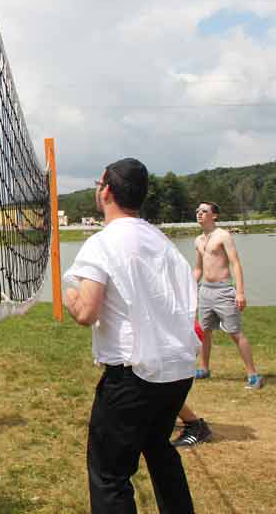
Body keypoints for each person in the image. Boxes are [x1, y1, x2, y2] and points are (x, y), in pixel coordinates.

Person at [63, 158, 198, 514]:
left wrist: (69, 293)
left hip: (134, 376)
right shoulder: (163, 242)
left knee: (109, 475)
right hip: (177, 371)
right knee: (159, 450)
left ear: (105, 190)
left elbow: (85, 313)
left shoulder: (102, 243)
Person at [193, 201, 264, 389]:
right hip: (205, 291)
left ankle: (253, 375)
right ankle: (204, 368)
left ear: (214, 216)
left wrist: (240, 292)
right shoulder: (198, 240)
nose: (199, 214)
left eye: (204, 211)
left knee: (235, 333)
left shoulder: (223, 236)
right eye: (198, 211)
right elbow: (199, 268)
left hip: (224, 291)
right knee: (205, 331)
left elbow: (235, 264)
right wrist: (190, 287)